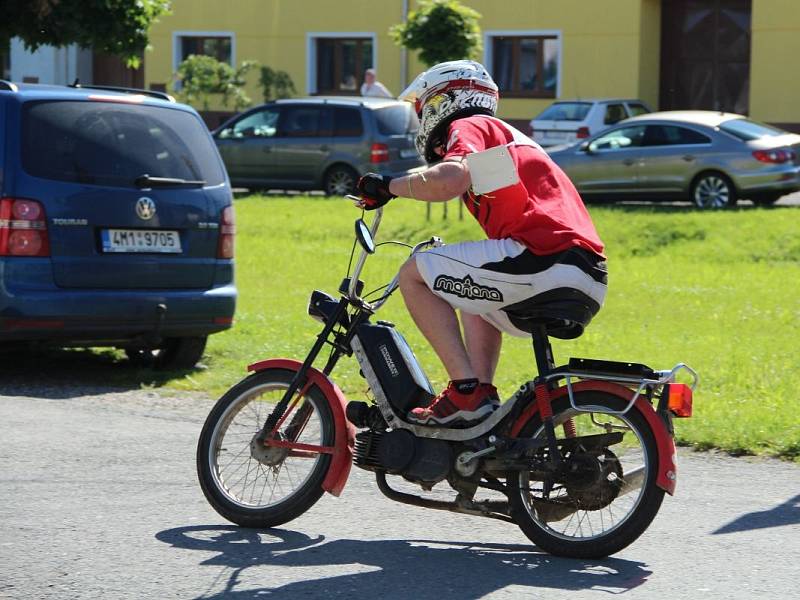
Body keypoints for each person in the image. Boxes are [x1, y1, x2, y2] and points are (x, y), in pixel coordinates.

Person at [355, 60, 607, 428]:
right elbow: (478, 188)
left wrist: (388, 185)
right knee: (469, 286)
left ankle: (466, 391)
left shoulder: (470, 125)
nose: (421, 118)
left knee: (414, 275)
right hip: (584, 272)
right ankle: (480, 404)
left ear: (444, 100)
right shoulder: (505, 139)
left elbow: (450, 179)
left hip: (545, 257)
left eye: (422, 107)